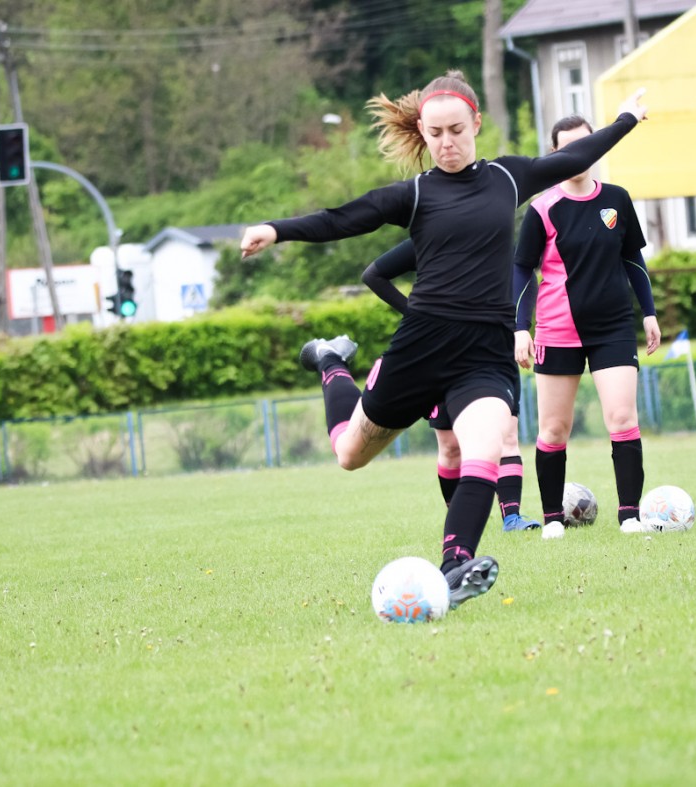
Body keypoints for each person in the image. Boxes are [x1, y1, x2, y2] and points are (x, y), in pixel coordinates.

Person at [240, 72, 647, 609]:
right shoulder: (414, 194)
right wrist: (276, 229)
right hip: (422, 346)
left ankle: (455, 565)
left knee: (484, 450)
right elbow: (343, 219)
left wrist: (626, 119)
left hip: (485, 351)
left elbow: (576, 156)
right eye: (434, 134)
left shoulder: (508, 178)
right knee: (349, 455)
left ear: (476, 123)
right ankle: (332, 360)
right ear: (422, 133)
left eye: (456, 130)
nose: (446, 143)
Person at [511, 115, 662, 538]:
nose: (579, 155)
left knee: (622, 418)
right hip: (558, 330)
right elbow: (521, 270)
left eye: (585, 144)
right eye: (568, 148)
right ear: (554, 153)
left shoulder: (617, 198)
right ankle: (552, 520)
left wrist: (649, 311)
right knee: (554, 429)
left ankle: (629, 516)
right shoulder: (542, 208)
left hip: (613, 327)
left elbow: (632, 258)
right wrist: (520, 326)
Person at [361, 239, 542, 532]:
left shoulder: (492, 235)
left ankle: (512, 517)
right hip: (438, 353)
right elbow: (373, 275)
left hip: (491, 350)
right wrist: (417, 317)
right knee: (450, 446)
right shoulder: (431, 239)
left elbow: (523, 274)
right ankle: (460, 520)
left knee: (506, 434)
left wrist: (520, 327)